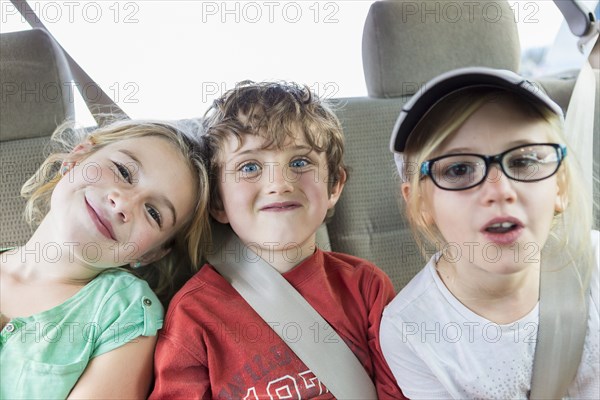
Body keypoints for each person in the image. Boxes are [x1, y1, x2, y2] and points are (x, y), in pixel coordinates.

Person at [150, 81, 404, 399]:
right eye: (250, 166)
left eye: (299, 162)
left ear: (334, 186)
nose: (279, 183)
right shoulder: (195, 313)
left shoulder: (365, 287)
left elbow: (400, 390)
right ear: (217, 201)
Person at [380, 67, 599, 399]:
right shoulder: (411, 330)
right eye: (459, 169)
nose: (499, 190)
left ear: (560, 185)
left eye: (524, 161)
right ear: (422, 205)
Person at [0, 119, 210, 399]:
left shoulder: (123, 310)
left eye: (153, 213)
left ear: (150, 253)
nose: (123, 204)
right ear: (77, 158)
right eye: (122, 171)